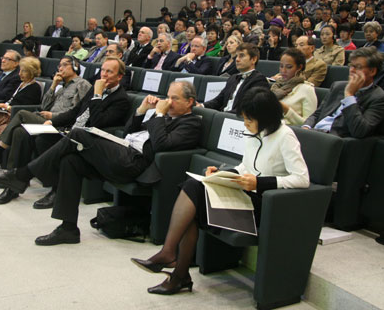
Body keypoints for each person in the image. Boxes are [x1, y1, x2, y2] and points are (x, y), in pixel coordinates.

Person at [131, 86, 309, 295]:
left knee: (192, 197)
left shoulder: (285, 136)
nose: (245, 124)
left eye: (249, 120)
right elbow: (246, 166)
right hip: (245, 196)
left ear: (266, 117)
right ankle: (177, 271)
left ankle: (173, 263)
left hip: (264, 206)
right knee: (193, 189)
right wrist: (224, 173)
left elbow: (302, 179)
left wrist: (261, 183)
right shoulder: (255, 133)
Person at [0, 80, 202, 245]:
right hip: (122, 151)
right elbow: (129, 133)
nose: (168, 102)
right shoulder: (162, 116)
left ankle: (22, 175)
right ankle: (68, 228)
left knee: (79, 134)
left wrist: (157, 114)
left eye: (174, 98)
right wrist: (141, 111)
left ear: (190, 102)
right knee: (71, 161)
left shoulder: (190, 123)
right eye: (168, 97)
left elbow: (162, 144)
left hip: (135, 164)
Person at [0, 57, 130, 205]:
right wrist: (52, 121)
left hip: (86, 139)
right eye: (102, 70)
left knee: (43, 139)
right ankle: (12, 187)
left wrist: (97, 95)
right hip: (69, 130)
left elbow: (98, 123)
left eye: (109, 71)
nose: (103, 74)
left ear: (119, 76)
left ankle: (52, 188)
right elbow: (74, 112)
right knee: (21, 133)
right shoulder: (94, 89)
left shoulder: (121, 99)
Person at [303, 47, 384, 138]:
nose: (352, 70)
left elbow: (360, 131)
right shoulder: (338, 86)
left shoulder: (379, 98)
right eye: (351, 66)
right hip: (313, 134)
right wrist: (306, 127)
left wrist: (349, 95)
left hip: (334, 141)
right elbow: (318, 113)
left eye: (358, 67)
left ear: (372, 71)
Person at [201, 43, 268, 112]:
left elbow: (248, 108)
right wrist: (202, 105)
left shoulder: (259, 81)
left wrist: (225, 115)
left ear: (253, 59)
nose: (237, 59)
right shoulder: (233, 78)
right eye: (237, 56)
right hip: (224, 117)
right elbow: (218, 100)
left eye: (241, 56)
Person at [272, 49, 317, 125]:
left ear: (299, 67)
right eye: (281, 66)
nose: (283, 70)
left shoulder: (307, 89)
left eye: (289, 67)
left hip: (291, 131)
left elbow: (308, 125)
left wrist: (287, 110)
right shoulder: (276, 86)